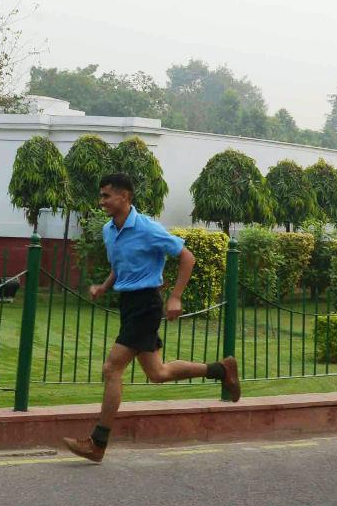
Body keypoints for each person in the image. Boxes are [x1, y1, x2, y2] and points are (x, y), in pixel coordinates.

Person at [62, 173, 240, 463]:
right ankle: (222, 369)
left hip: (146, 304)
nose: (101, 201)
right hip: (129, 304)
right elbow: (120, 265)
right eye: (101, 195)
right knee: (158, 373)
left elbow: (187, 257)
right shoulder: (109, 230)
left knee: (112, 368)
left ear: (125, 197)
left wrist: (175, 296)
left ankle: (97, 443)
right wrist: (104, 287)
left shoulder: (147, 228)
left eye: (106, 195)